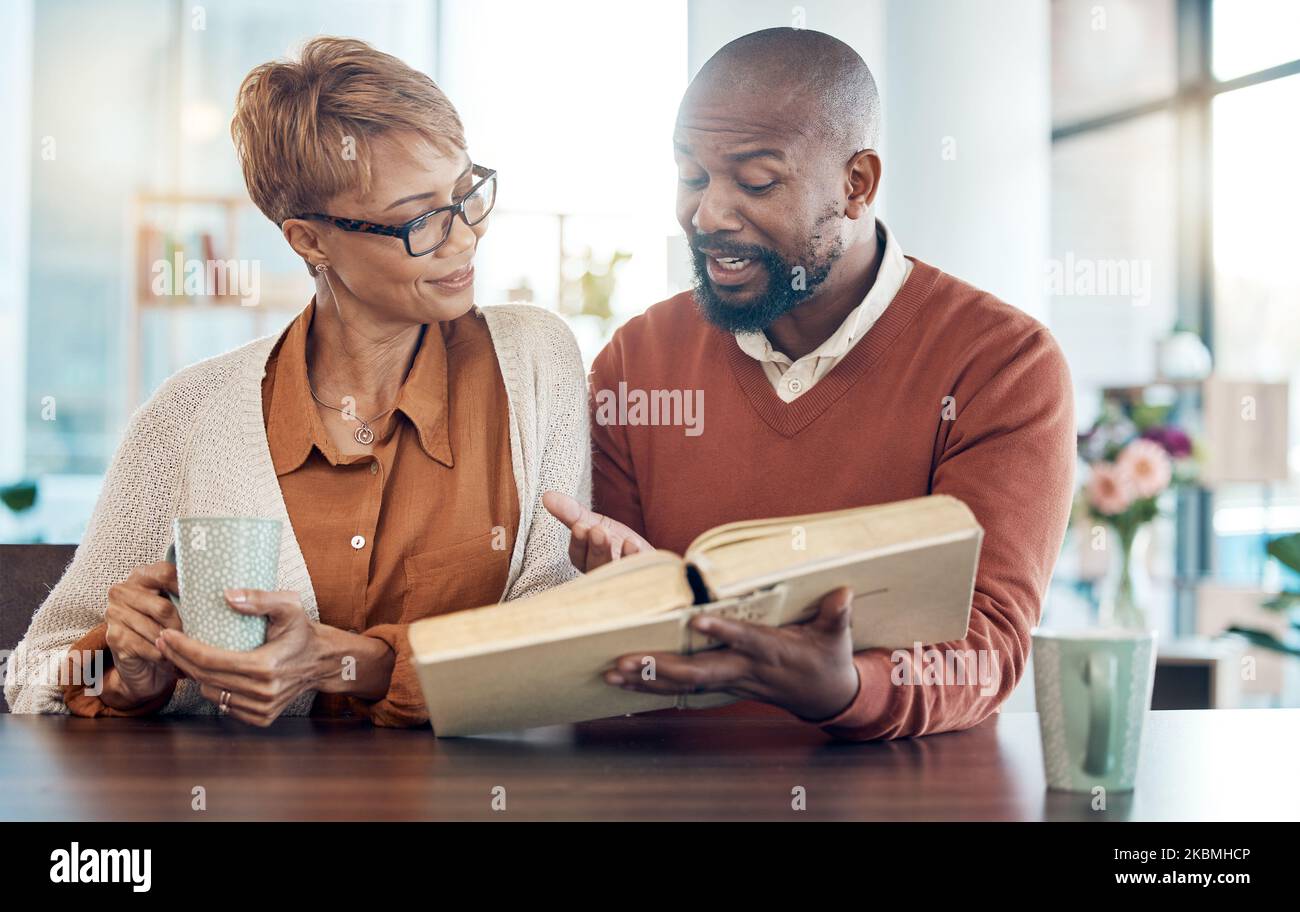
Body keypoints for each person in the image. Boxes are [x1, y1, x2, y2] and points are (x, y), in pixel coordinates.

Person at [5, 37, 588, 728]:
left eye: (464, 195)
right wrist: (129, 675)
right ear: (310, 242)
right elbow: (38, 666)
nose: (463, 238)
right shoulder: (189, 416)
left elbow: (558, 637)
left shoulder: (534, 361)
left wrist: (354, 662)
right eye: (420, 220)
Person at [544, 27, 1075, 740]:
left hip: (896, 791)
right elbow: (598, 649)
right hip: (668, 787)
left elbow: (988, 648)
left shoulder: (1002, 364)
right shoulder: (637, 360)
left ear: (857, 184)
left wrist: (847, 688)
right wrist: (624, 596)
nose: (708, 217)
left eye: (757, 181)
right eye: (692, 176)